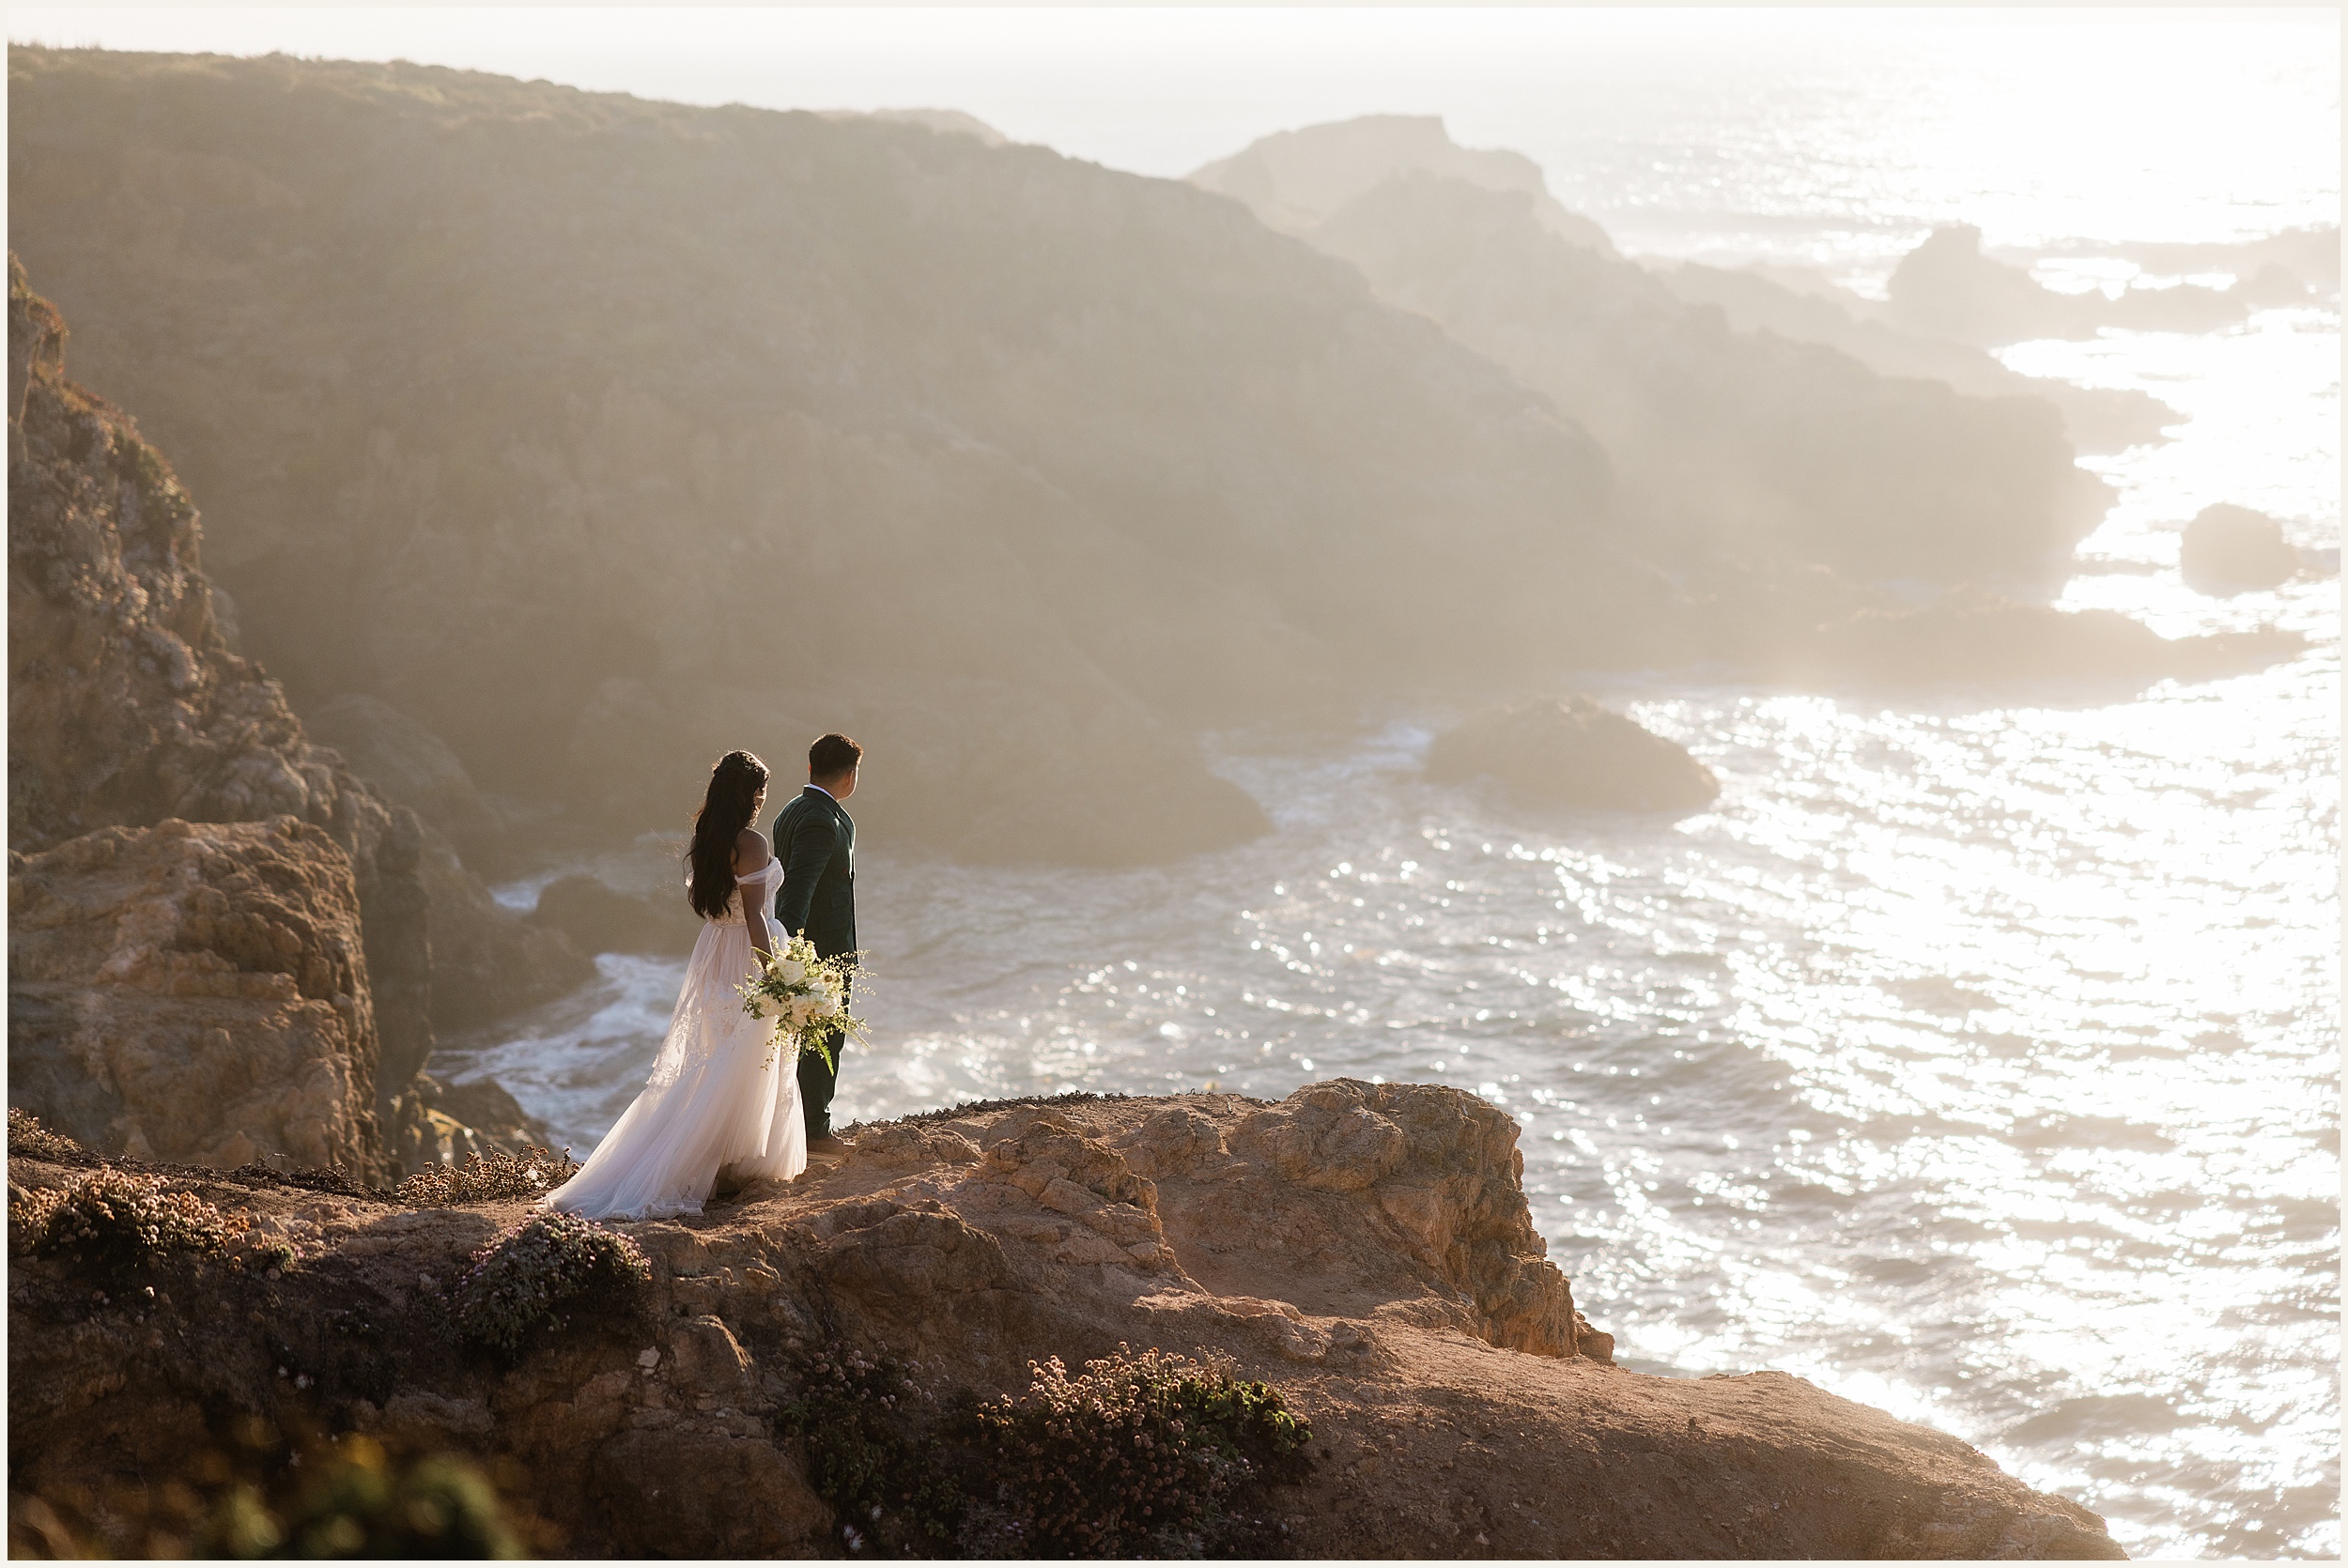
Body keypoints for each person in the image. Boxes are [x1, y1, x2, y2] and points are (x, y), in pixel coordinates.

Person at [541, 749, 806, 1219]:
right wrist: (776, 974)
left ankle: (719, 1161)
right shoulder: (751, 842)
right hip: (745, 952)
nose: (763, 800)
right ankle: (719, 1163)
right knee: (743, 1055)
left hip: (712, 952)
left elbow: (715, 908)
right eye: (760, 790)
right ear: (747, 793)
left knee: (720, 1056)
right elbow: (753, 917)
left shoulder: (709, 837)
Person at [772, 732, 860, 1152]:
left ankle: (797, 1126)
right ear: (850, 775)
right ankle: (814, 1131)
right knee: (822, 1040)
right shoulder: (822, 821)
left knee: (805, 1040)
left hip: (821, 946)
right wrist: (790, 953)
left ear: (810, 768)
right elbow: (797, 890)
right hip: (820, 952)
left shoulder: (793, 810)